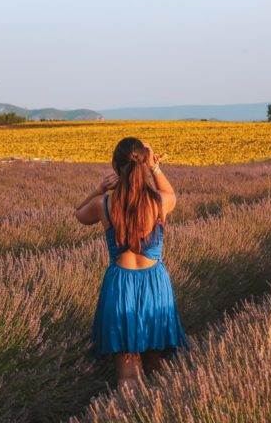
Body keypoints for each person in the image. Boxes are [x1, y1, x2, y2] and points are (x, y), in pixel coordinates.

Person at [75, 137, 188, 390]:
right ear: (143, 163)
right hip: (154, 285)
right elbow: (172, 193)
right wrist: (155, 167)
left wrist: (99, 189)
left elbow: (79, 214)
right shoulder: (159, 202)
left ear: (115, 166)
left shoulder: (102, 205)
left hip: (120, 287)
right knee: (157, 368)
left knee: (127, 375)